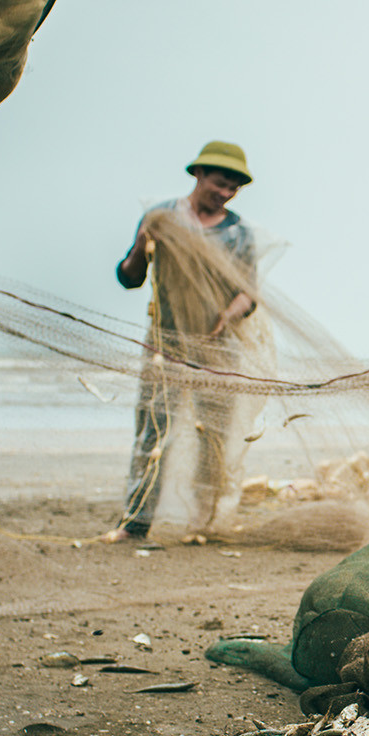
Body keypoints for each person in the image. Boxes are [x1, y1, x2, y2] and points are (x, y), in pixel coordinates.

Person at [101, 142, 263, 544]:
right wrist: (141, 246)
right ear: (199, 175)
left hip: (219, 347)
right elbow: (128, 277)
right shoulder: (161, 217)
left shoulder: (240, 234)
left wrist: (229, 316)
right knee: (153, 430)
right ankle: (136, 521)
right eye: (220, 183)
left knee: (214, 435)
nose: (225, 193)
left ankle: (202, 521)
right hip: (164, 345)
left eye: (233, 189)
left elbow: (249, 293)